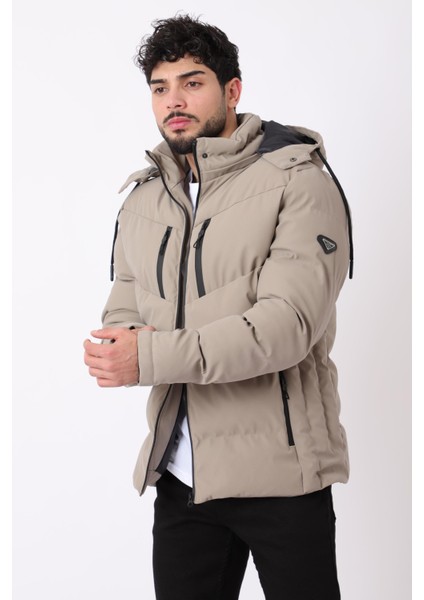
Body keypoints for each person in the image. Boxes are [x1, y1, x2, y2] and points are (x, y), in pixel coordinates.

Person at [83, 14, 353, 600]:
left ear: (233, 90)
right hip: (183, 479)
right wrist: (119, 344)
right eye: (160, 87)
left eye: (192, 82)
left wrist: (148, 354)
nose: (174, 101)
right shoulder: (146, 197)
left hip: (284, 477)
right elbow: (125, 303)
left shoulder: (298, 180)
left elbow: (287, 327)